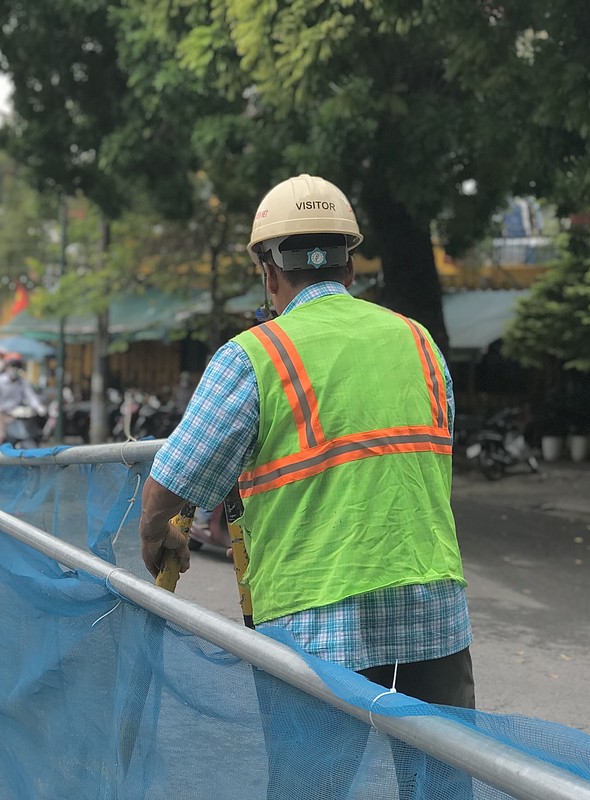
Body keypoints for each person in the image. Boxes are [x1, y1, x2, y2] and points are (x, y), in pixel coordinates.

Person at [138, 174, 474, 797]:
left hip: (314, 607)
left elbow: (173, 480)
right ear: (349, 265)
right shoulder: (418, 340)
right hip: (431, 595)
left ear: (270, 272)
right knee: (441, 780)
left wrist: (157, 535)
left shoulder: (255, 355)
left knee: (311, 784)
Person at [0, 353, 46, 447]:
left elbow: (31, 397)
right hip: (1, 415)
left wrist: (39, 407)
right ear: (6, 366)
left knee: (32, 434)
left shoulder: (23, 383)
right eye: (12, 365)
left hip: (17, 416)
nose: (15, 368)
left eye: (17, 365)